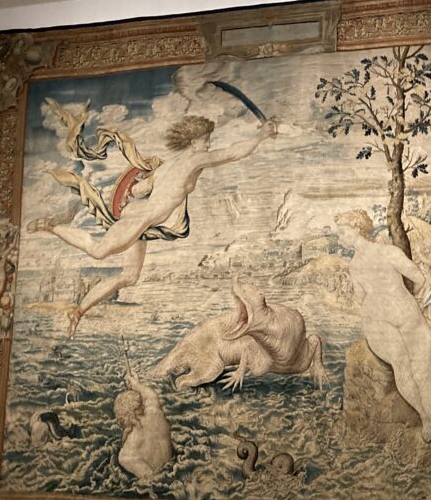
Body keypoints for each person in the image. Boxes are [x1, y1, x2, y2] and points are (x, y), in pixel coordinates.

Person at [30, 114, 277, 336]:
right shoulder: (194, 161)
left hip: (141, 219)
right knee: (98, 250)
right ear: (193, 143)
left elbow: (138, 190)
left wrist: (134, 197)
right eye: (206, 141)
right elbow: (232, 153)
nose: (208, 145)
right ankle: (51, 226)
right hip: (139, 220)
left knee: (129, 277)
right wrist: (262, 135)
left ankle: (78, 311)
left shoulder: (167, 166)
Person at [334, 210, 431, 460]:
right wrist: (399, 302)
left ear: (356, 229)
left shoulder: (376, 258)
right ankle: (430, 424)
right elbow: (417, 280)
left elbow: (365, 297)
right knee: (407, 371)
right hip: (384, 323)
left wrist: (398, 303)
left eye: (343, 232)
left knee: (421, 375)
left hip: (402, 319)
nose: (340, 238)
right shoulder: (374, 258)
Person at [114, 363, 174, 480]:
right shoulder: (155, 416)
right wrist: (136, 385)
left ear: (121, 417)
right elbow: (151, 396)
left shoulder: (126, 455)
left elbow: (150, 479)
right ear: (140, 405)